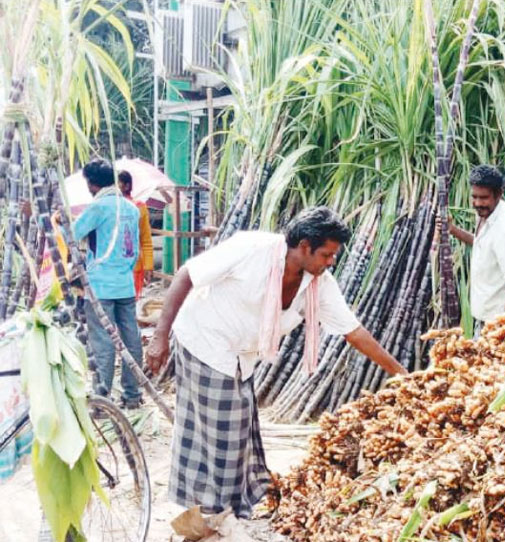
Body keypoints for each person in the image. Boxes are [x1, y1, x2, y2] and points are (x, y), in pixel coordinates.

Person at [145, 206, 407, 518]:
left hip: (243, 355)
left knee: (238, 429)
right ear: (305, 246)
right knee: (222, 432)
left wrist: (402, 374)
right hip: (206, 339)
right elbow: (187, 275)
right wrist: (160, 337)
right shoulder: (251, 249)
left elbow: (354, 331)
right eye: (326, 254)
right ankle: (216, 512)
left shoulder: (318, 283)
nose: (331, 262)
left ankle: (227, 507)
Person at [72, 159, 144, 408]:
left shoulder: (98, 208)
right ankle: (132, 395)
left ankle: (102, 400)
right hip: (125, 284)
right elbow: (134, 251)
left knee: (103, 343)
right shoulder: (131, 208)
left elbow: (73, 233)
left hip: (100, 286)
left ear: (92, 184)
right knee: (131, 339)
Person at [446, 165, 505, 334]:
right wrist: (452, 229)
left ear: (499, 194)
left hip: (495, 324)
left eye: (483, 198)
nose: (477, 203)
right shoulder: (487, 214)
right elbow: (481, 244)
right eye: (474, 197)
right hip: (483, 318)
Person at [118, 170, 154, 298]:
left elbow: (146, 239)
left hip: (134, 267)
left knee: (130, 306)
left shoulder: (139, 207)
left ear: (127, 186)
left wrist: (149, 266)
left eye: (118, 184)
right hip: (114, 268)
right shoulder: (109, 208)